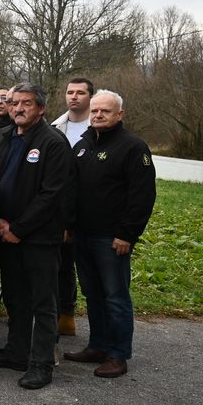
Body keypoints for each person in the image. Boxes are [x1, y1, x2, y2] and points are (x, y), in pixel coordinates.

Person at [0, 83, 74, 390]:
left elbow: (52, 195)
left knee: (43, 301)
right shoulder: (1, 137)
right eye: (13, 103)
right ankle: (16, 352)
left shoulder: (53, 143)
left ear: (41, 109)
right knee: (14, 296)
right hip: (4, 234)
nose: (18, 108)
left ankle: (41, 363)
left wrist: (18, 229)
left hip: (38, 237)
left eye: (26, 103)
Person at [67, 90, 156, 378]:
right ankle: (98, 345)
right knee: (93, 294)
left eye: (105, 111)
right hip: (82, 235)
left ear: (120, 114)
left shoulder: (133, 147)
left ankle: (118, 354)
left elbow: (142, 197)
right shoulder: (82, 145)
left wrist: (127, 234)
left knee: (115, 297)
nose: (98, 115)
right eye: (94, 111)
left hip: (111, 239)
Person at [51, 76, 95, 335]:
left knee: (88, 269)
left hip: (90, 210)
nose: (74, 96)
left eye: (80, 92)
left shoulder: (98, 123)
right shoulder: (57, 126)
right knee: (63, 265)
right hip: (62, 209)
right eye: (70, 92)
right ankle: (65, 314)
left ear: (90, 96)